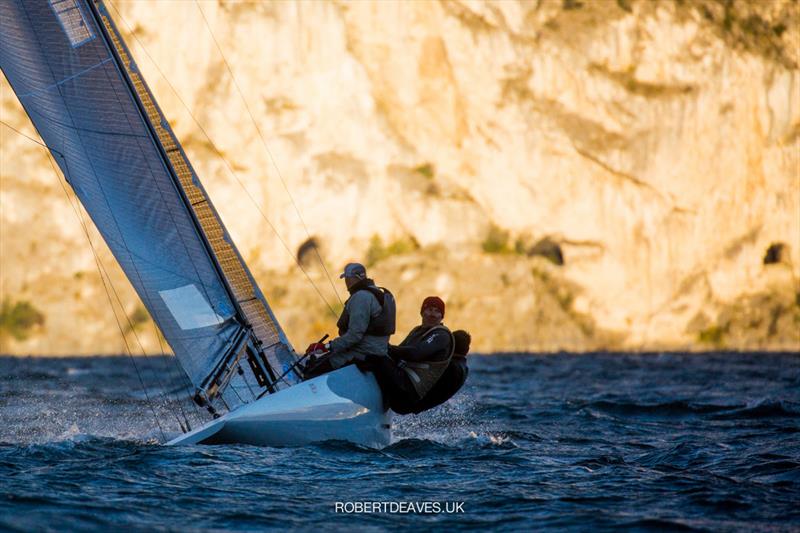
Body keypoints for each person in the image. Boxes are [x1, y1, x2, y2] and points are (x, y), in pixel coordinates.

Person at [303, 262, 395, 378]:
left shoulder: (361, 297)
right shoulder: (375, 292)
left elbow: (355, 335)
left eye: (347, 278)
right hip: (375, 350)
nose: (346, 282)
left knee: (313, 370)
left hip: (363, 353)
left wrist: (326, 347)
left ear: (355, 278)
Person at [364, 296, 454, 414]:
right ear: (422, 312)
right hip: (401, 381)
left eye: (437, 311)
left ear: (442, 317)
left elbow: (416, 353)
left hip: (408, 391)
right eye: (430, 309)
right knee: (371, 354)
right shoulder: (417, 330)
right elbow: (396, 353)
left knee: (376, 357)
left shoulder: (441, 335)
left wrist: (386, 348)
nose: (432, 314)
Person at [407, 329, 471, 414]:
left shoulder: (450, 366)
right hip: (415, 405)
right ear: (467, 349)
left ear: (449, 345)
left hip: (408, 401)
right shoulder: (463, 368)